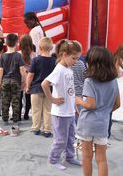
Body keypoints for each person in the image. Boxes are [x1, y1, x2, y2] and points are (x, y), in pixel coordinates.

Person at [75, 47, 120, 176]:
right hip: (103, 123)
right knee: (101, 158)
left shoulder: (90, 81)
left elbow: (90, 104)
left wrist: (78, 101)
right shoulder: (113, 81)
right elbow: (117, 104)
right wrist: (105, 111)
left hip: (87, 123)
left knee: (87, 156)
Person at [41, 39, 82, 170]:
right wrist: (52, 99)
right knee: (61, 139)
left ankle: (70, 156)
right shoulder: (59, 70)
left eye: (77, 59)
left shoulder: (68, 69)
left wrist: (74, 105)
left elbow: (70, 90)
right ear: (64, 55)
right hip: (60, 113)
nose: (75, 61)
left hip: (69, 111)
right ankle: (53, 159)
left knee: (70, 137)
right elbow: (44, 84)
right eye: (74, 58)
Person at [26, 37, 55, 137]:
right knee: (48, 110)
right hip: (49, 89)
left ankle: (36, 128)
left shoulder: (35, 60)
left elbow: (30, 75)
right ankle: (47, 129)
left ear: (40, 48)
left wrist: (27, 86)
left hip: (36, 88)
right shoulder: (54, 61)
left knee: (36, 109)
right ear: (51, 48)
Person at [0, 34, 26, 125]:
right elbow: (22, 69)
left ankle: (5, 119)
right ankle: (15, 119)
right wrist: (24, 81)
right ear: (17, 43)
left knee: (5, 100)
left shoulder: (2, 56)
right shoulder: (18, 56)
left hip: (5, 80)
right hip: (15, 81)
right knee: (16, 101)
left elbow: (0, 69)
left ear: (6, 43)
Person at [19, 34, 36, 120]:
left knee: (18, 96)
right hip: (30, 77)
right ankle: (26, 113)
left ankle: (18, 114)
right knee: (28, 97)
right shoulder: (33, 54)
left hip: (20, 76)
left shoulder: (18, 54)